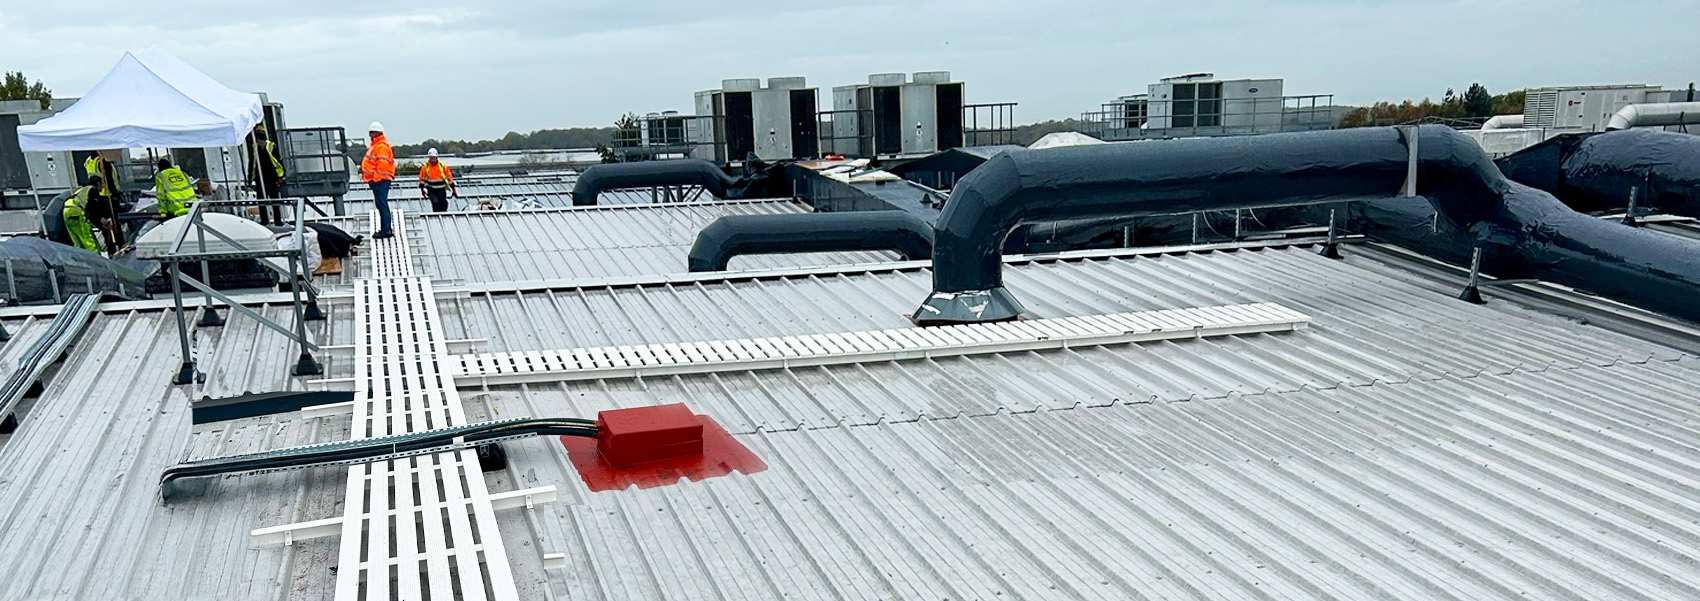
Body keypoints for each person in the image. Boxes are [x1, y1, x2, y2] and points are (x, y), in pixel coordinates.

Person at [81, 151, 123, 253]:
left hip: (97, 194)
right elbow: (109, 179)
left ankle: (111, 249)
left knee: (105, 226)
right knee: (114, 223)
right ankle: (120, 245)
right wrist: (116, 195)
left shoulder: (88, 161)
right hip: (108, 195)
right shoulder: (102, 161)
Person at [361, 121, 396, 238]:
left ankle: (386, 230)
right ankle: (386, 229)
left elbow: (382, 165)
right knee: (381, 203)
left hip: (380, 180)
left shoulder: (381, 146)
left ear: (376, 133)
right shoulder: (376, 145)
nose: (370, 135)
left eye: (371, 133)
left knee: (381, 203)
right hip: (378, 180)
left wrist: (375, 179)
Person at [247, 126, 288, 224]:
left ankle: (278, 221)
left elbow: (278, 161)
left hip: (271, 177)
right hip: (260, 177)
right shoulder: (255, 148)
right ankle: (264, 221)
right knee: (261, 200)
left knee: (274, 200)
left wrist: (281, 176)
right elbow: (252, 163)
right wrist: (250, 179)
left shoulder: (271, 146)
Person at [62, 178, 102, 253]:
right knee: (88, 239)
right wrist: (101, 224)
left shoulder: (81, 190)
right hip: (77, 211)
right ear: (98, 183)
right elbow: (92, 210)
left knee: (77, 241)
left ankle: (82, 258)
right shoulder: (93, 189)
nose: (102, 188)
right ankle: (96, 258)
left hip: (66, 211)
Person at [417, 148, 458, 212]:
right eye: (431, 157)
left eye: (434, 157)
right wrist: (422, 191)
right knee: (435, 203)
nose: (433, 159)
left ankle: (443, 215)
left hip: (441, 189)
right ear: (429, 157)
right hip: (431, 190)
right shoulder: (425, 167)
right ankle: (436, 216)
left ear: (437, 157)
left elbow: (449, 179)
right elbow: (422, 180)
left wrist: (454, 190)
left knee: (443, 203)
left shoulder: (442, 166)